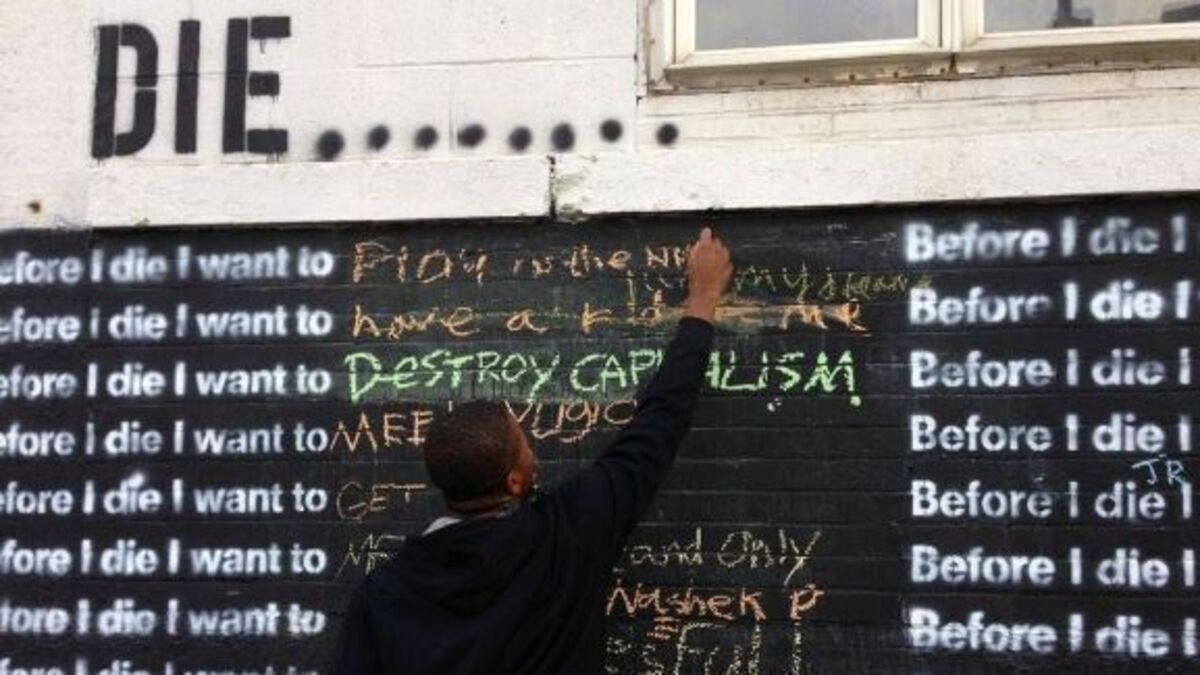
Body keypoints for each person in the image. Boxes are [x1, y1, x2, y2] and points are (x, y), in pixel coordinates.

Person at [332, 228, 733, 674]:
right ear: (514, 480)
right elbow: (657, 426)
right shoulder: (568, 536)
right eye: (524, 444)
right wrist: (702, 301)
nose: (533, 448)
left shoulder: (384, 593)